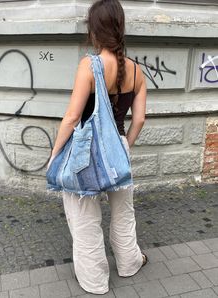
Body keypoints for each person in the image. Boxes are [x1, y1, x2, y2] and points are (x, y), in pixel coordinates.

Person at [47, 0, 147, 294]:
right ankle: (130, 264)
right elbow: (139, 119)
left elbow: (73, 117)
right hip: (118, 147)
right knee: (123, 212)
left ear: (94, 30)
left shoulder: (89, 65)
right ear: (121, 27)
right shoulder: (137, 71)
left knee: (85, 217)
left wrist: (55, 154)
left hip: (86, 154)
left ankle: (94, 281)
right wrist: (123, 146)